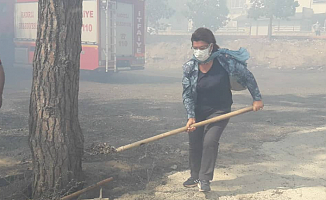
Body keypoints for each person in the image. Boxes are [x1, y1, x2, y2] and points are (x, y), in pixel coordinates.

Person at [182, 27, 263, 192]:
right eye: (195, 48)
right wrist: (191, 116)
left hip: (220, 109)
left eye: (202, 48)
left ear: (211, 46)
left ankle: (204, 179)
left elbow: (247, 76)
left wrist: (257, 98)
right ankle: (195, 175)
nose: (198, 51)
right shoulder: (190, 67)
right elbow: (187, 94)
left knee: (210, 142)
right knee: (194, 143)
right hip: (198, 110)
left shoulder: (225, 61)